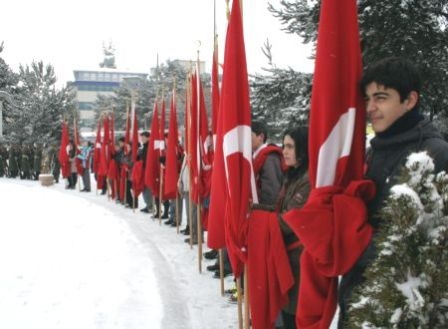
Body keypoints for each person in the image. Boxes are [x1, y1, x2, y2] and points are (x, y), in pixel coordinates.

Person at [338, 57, 448, 327]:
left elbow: (426, 245)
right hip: (358, 297)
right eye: (367, 99)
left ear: (410, 100)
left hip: (403, 309)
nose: (371, 108)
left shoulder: (435, 154)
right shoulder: (373, 150)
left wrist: (348, 242)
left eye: (381, 97)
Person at [277, 127, 311, 329]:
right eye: (284, 146)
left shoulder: (307, 179)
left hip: (299, 259)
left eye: (290, 146)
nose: (284, 151)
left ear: (303, 149)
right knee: (287, 314)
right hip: (287, 256)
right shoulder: (293, 175)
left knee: (294, 317)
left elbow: (290, 219)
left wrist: (258, 225)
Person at [138, 131, 153, 214]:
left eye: (143, 137)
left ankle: (150, 205)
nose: (142, 139)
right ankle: (148, 204)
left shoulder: (149, 147)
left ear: (148, 137)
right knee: (144, 189)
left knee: (148, 189)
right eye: (141, 137)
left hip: (148, 170)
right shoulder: (143, 147)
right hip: (143, 170)